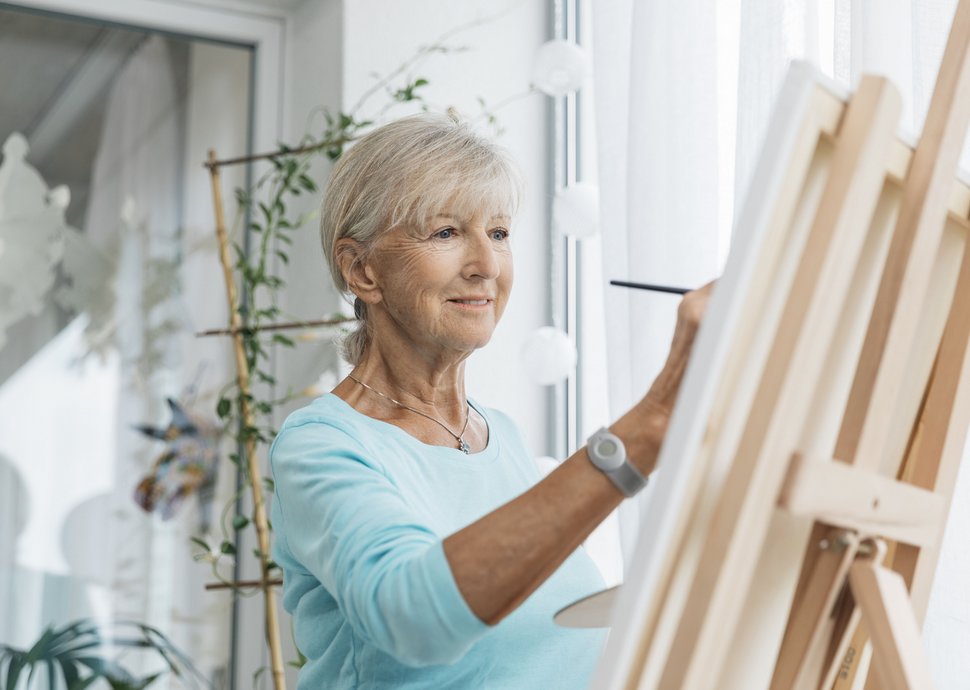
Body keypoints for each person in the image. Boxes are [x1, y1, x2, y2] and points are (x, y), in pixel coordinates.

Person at [269, 112, 711, 689]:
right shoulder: (321, 445)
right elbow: (416, 615)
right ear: (362, 271)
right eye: (446, 232)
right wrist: (648, 427)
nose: (485, 266)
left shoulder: (497, 435)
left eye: (498, 233)